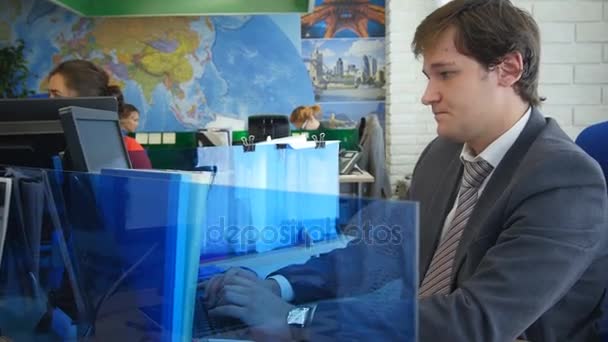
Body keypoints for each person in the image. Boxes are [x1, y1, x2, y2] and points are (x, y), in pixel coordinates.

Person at [203, 0, 608, 341]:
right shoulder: (441, 154)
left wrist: (297, 321)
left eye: (446, 74)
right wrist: (276, 285)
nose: (428, 95)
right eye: (428, 76)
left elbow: (477, 320)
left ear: (509, 69)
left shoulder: (565, 179)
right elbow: (379, 252)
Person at [48, 60, 151, 169]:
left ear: (83, 99)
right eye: (49, 94)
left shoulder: (128, 148)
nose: (49, 101)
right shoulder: (54, 145)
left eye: (56, 95)